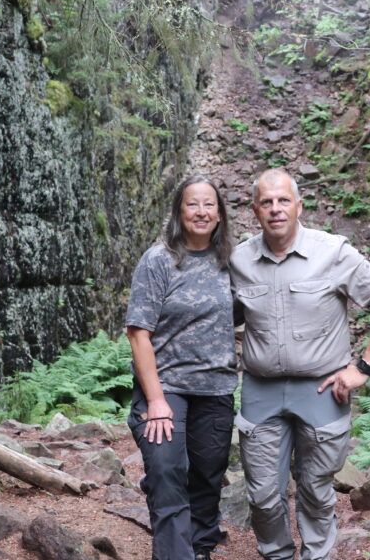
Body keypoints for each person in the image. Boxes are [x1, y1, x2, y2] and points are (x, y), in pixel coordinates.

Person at [230, 168, 370, 560]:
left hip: (322, 390)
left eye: (283, 201)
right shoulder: (238, 259)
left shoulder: (333, 252)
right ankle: (276, 555)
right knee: (262, 495)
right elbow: (223, 317)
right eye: (267, 202)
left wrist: (363, 368)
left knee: (315, 490)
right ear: (254, 210)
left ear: (299, 206)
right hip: (260, 390)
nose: (276, 209)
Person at [125, 175, 238, 560]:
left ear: (220, 213)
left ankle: (201, 550)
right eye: (193, 204)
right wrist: (155, 401)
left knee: (207, 477)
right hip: (166, 387)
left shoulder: (232, 263)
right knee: (166, 472)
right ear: (179, 211)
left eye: (209, 204)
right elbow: (139, 333)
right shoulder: (158, 260)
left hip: (216, 388)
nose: (201, 212)